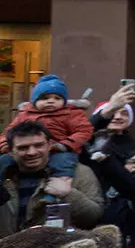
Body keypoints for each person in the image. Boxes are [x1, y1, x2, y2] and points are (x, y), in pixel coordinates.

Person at [0, 74, 94, 202]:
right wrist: (5, 144)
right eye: (44, 98)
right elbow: (9, 131)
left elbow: (84, 131)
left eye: (57, 98)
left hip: (61, 149)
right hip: (25, 150)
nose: (51, 101)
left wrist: (65, 144)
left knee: (63, 165)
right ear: (34, 101)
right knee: (4, 160)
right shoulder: (24, 114)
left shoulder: (71, 114)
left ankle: (54, 194)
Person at [0, 121, 103, 236]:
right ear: (10, 151)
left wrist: (68, 195)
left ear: (49, 145)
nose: (31, 152)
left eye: (39, 145)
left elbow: (94, 218)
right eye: (23, 148)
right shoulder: (3, 176)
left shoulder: (78, 173)